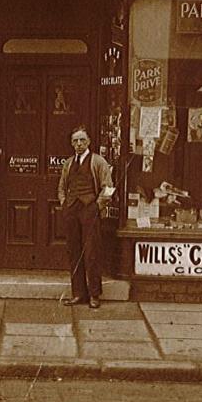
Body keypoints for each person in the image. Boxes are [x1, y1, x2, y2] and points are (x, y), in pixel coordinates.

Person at [57, 125, 113, 309]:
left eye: (82, 140)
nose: (79, 144)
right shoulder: (68, 163)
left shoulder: (98, 162)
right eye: (75, 141)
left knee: (91, 253)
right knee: (74, 252)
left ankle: (94, 295)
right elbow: (62, 187)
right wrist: (65, 203)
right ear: (71, 144)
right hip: (72, 210)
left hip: (90, 210)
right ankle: (78, 293)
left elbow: (108, 188)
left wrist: (98, 206)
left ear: (88, 142)